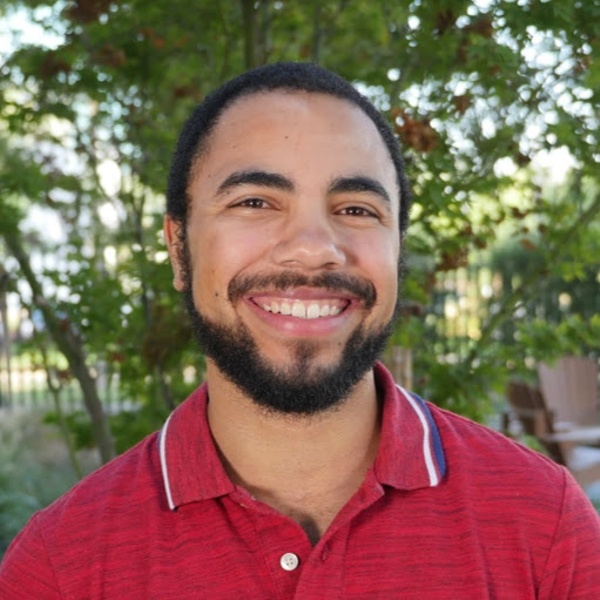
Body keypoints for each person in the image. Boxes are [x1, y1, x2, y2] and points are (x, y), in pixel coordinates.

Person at [1, 62, 599, 599]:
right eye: (255, 202)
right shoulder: (60, 567)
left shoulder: (544, 525)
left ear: (397, 250)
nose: (314, 249)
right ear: (179, 249)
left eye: (357, 209)